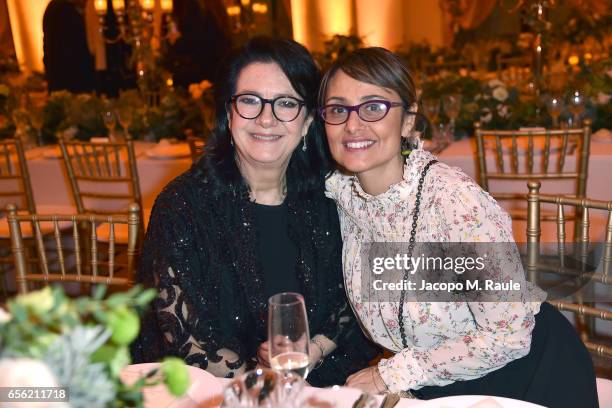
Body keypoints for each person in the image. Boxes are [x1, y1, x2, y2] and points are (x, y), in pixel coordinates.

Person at [319, 47, 599, 406]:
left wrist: (387, 373)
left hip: (525, 378)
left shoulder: (453, 204)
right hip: (435, 387)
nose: (353, 124)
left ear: (407, 121)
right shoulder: (343, 195)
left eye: (374, 107)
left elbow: (509, 335)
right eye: (338, 110)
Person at [131, 37, 379, 386]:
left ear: (308, 120)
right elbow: (190, 344)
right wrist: (279, 392)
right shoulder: (182, 207)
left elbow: (355, 302)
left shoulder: (330, 196)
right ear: (228, 114)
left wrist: (317, 351)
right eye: (250, 101)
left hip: (322, 387)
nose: (267, 118)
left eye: (286, 103)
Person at [42, 0, 96, 93]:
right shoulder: (63, 11)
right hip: (72, 84)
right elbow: (79, 52)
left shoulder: (56, 8)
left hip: (60, 84)